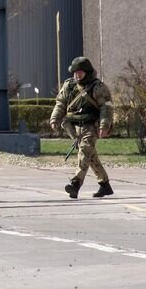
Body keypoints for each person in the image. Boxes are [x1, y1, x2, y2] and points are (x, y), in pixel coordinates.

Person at [50, 57, 114, 199]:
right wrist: (54, 118)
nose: (77, 75)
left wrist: (104, 125)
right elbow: (60, 103)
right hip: (73, 128)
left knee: (84, 154)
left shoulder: (98, 87)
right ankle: (105, 185)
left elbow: (106, 108)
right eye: (75, 72)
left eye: (80, 72)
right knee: (91, 157)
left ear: (87, 72)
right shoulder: (69, 86)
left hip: (91, 127)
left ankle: (75, 184)